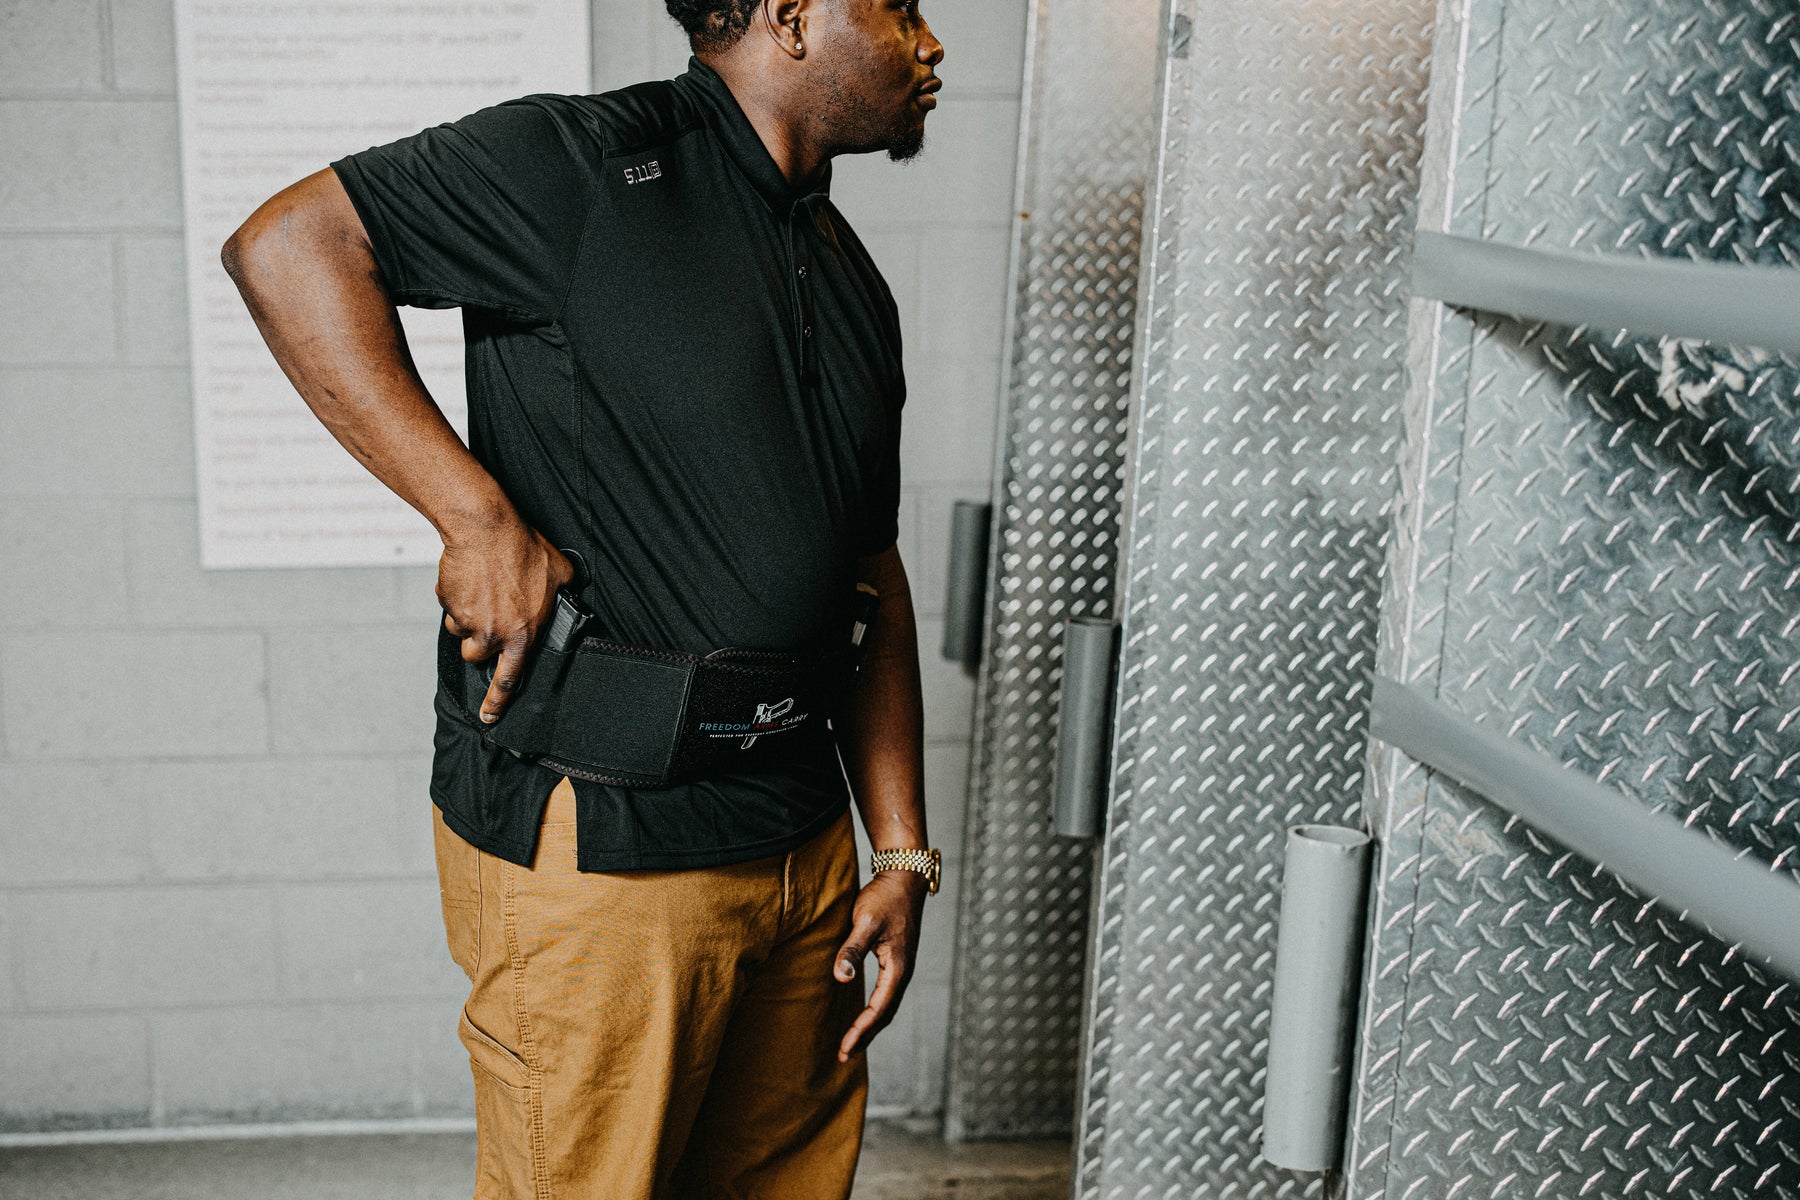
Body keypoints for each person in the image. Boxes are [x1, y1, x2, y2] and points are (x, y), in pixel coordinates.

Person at [221, 1, 946, 1195]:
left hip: (805, 859)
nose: (929, 43)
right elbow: (291, 245)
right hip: (613, 855)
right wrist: (472, 514)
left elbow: (871, 579)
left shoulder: (849, 275)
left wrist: (902, 848)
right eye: (900, 6)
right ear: (791, 15)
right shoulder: (583, 167)